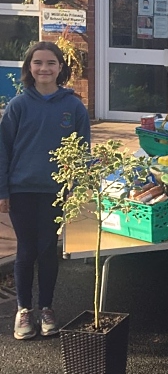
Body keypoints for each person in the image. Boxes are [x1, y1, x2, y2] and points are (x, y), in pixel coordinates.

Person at [0, 42, 90, 340]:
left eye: (50, 63)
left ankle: (47, 307)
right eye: (37, 63)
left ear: (61, 67)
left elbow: (81, 152)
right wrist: (3, 191)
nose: (44, 68)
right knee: (26, 249)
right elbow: (3, 151)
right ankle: (24, 310)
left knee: (48, 248)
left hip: (56, 192)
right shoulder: (18, 106)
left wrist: (75, 189)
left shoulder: (74, 106)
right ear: (29, 68)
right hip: (22, 190)